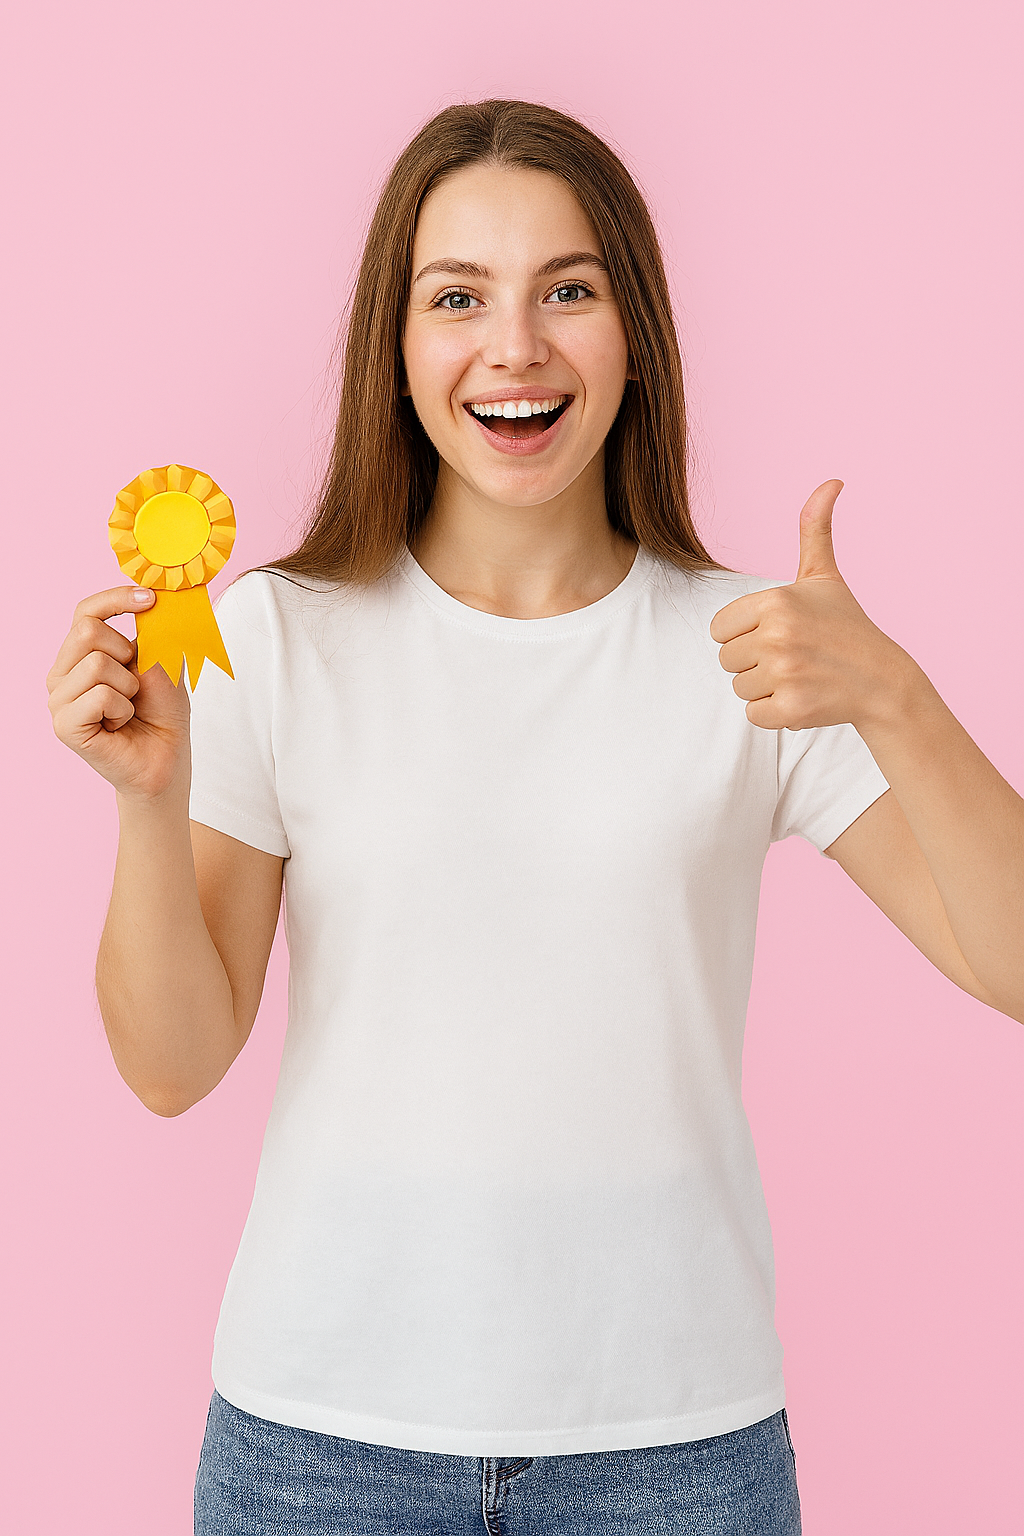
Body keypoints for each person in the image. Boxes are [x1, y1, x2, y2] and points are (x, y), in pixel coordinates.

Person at [46, 99, 1024, 1536]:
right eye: (459, 298)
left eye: (569, 290)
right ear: (396, 341)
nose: (515, 346)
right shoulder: (270, 636)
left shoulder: (755, 649)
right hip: (320, 1450)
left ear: (638, 333)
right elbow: (172, 1067)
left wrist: (899, 698)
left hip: (677, 1457)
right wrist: (150, 804)